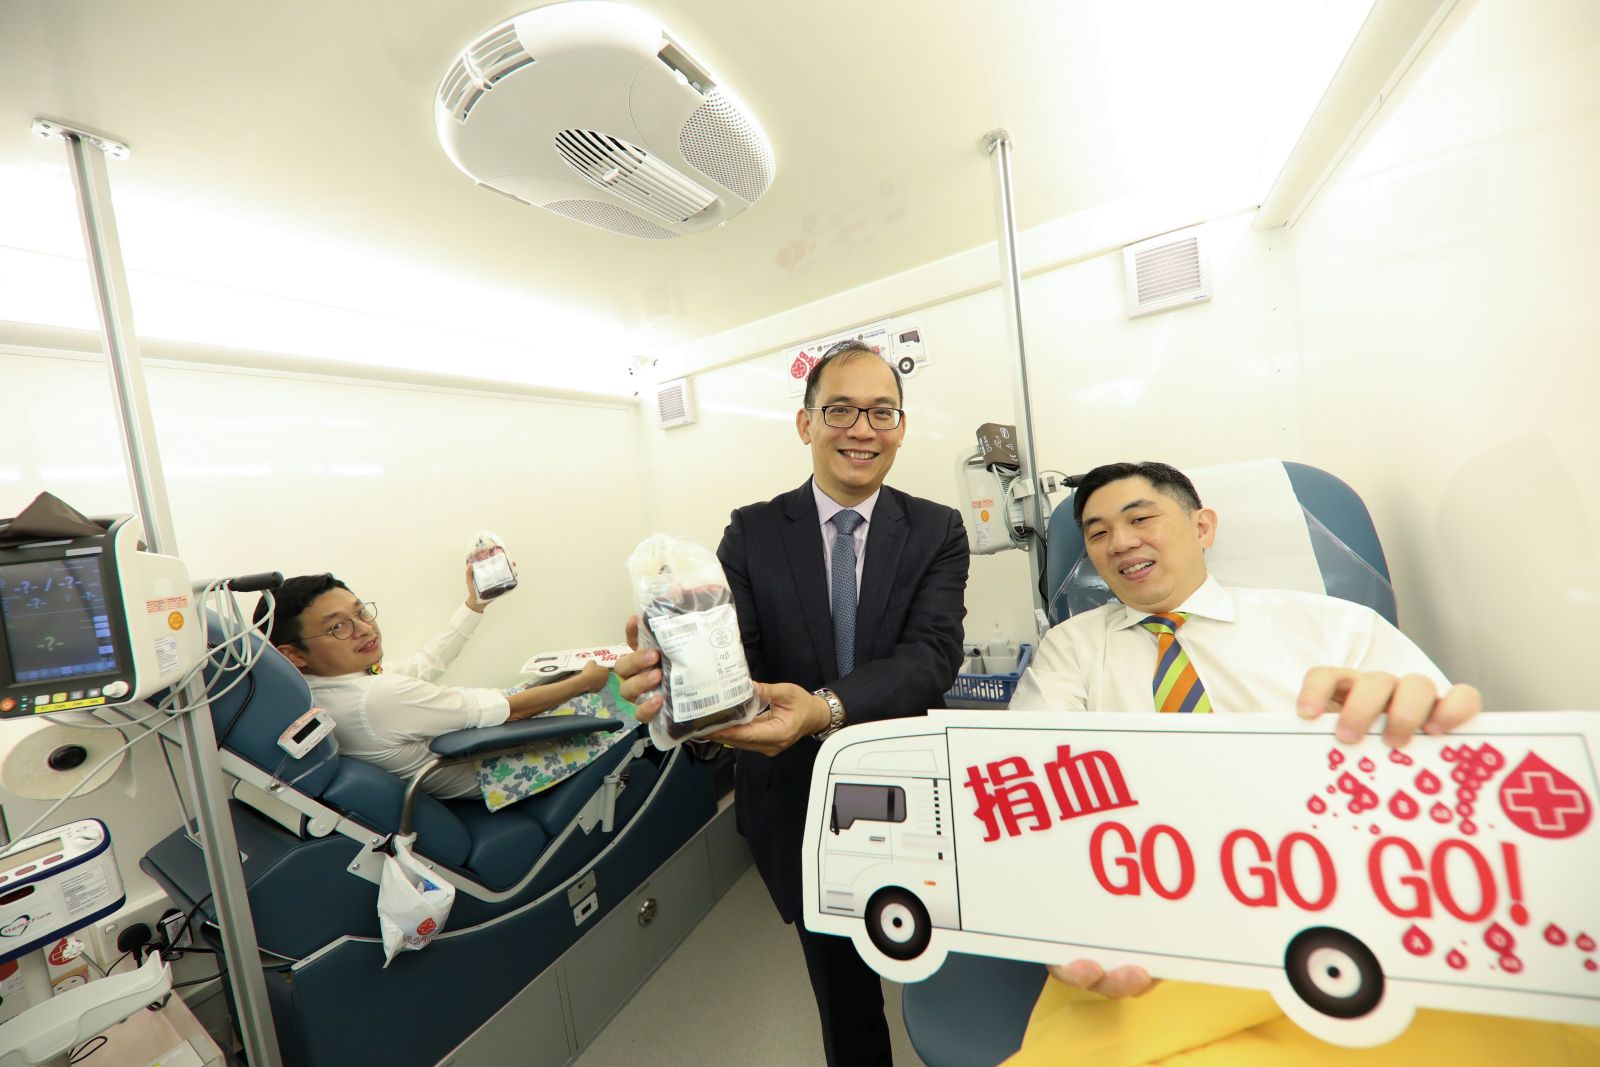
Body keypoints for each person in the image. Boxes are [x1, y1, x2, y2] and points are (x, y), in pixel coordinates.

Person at [1001, 461, 1599, 1065]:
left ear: (1203, 526)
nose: (1120, 542)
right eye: (1097, 533)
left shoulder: (1332, 627)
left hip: (1349, 915)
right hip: (1152, 929)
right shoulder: (1071, 650)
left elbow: (1445, 783)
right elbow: (1025, 794)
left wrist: (1425, 736)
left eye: (1140, 518)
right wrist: (1056, 909)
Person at [618, 341, 970, 1067]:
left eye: (880, 411)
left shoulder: (937, 530)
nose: (860, 428)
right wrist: (678, 683)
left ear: (901, 427)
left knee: (943, 960)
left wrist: (824, 707)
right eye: (839, 408)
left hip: (907, 789)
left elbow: (931, 656)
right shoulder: (750, 532)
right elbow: (732, 654)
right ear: (805, 423)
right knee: (842, 995)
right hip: (796, 800)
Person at [259, 568, 613, 800]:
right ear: (293, 654)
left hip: (483, 739)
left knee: (559, 679)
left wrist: (476, 605)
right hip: (502, 770)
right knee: (624, 694)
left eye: (360, 612)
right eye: (339, 626)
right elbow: (513, 712)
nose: (365, 628)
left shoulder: (328, 689)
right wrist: (586, 682)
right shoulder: (377, 699)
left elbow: (424, 665)